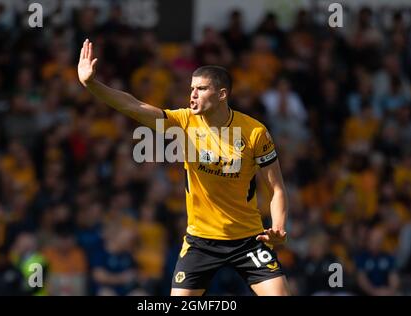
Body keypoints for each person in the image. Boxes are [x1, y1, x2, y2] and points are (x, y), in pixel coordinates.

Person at [78, 39, 290, 296]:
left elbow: (277, 188)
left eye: (201, 89)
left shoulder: (255, 132)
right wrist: (92, 84)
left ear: (222, 94)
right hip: (201, 240)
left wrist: (278, 226)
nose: (192, 94)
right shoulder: (183, 122)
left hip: (248, 239)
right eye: (192, 88)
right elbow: (132, 106)